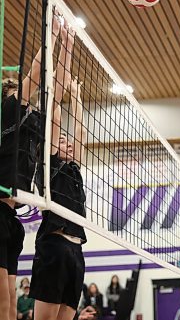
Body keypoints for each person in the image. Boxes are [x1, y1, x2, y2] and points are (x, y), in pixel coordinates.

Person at [0, 11, 62, 320]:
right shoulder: (8, 111)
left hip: (12, 218)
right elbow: (36, 75)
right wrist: (52, 32)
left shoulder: (28, 127)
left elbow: (53, 102)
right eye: (17, 92)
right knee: (2, 300)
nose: (25, 100)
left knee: (11, 298)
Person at [30, 28, 88, 320]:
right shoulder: (50, 163)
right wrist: (65, 47)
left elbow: (78, 128)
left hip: (76, 252)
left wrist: (76, 97)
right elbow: (54, 117)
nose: (66, 141)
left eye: (67, 141)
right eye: (60, 139)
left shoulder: (74, 166)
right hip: (54, 245)